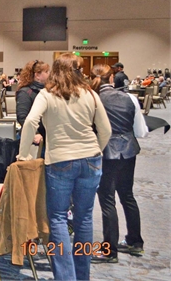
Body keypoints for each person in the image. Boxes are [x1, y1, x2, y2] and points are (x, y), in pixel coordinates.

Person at [18, 53, 111, 281]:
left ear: (56, 71)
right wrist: (96, 150)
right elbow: (106, 130)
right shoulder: (90, 94)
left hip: (60, 161)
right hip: (91, 160)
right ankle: (82, 276)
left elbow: (30, 121)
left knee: (58, 218)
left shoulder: (47, 94)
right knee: (84, 218)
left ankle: (66, 277)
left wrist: (23, 154)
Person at [90, 64, 147, 263]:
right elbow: (140, 131)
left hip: (106, 152)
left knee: (107, 200)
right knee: (127, 196)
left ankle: (109, 251)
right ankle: (135, 242)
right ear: (112, 78)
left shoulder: (93, 99)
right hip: (129, 151)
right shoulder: (129, 98)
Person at [16, 60, 50, 145]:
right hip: (33, 139)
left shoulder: (48, 91)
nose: (49, 74)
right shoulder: (25, 92)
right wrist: (35, 133)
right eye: (46, 72)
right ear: (37, 75)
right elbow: (22, 117)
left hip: (47, 137)